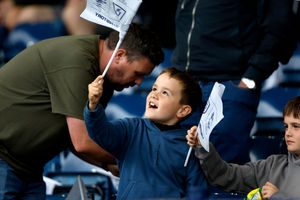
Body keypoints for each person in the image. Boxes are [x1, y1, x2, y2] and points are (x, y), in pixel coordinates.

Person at [0, 23, 164, 199]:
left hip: (27, 168)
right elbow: (83, 141)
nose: (139, 82)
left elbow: (74, 138)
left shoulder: (105, 79)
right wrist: (137, 162)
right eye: (137, 73)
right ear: (120, 55)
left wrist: (106, 165)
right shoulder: (79, 62)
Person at [171, 0, 298, 164]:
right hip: (183, 82)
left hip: (231, 83)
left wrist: (251, 78)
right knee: (176, 167)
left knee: (223, 169)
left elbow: (281, 25)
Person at [84, 67, 208, 199]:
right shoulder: (130, 128)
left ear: (183, 111)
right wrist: (93, 105)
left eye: (165, 93)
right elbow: (101, 132)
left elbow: (197, 192)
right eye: (154, 88)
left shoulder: (190, 146)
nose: (154, 94)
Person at [186, 96, 300, 199]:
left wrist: (277, 197)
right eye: (286, 126)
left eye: (296, 126)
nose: (288, 133)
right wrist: (203, 146)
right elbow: (225, 176)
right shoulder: (273, 165)